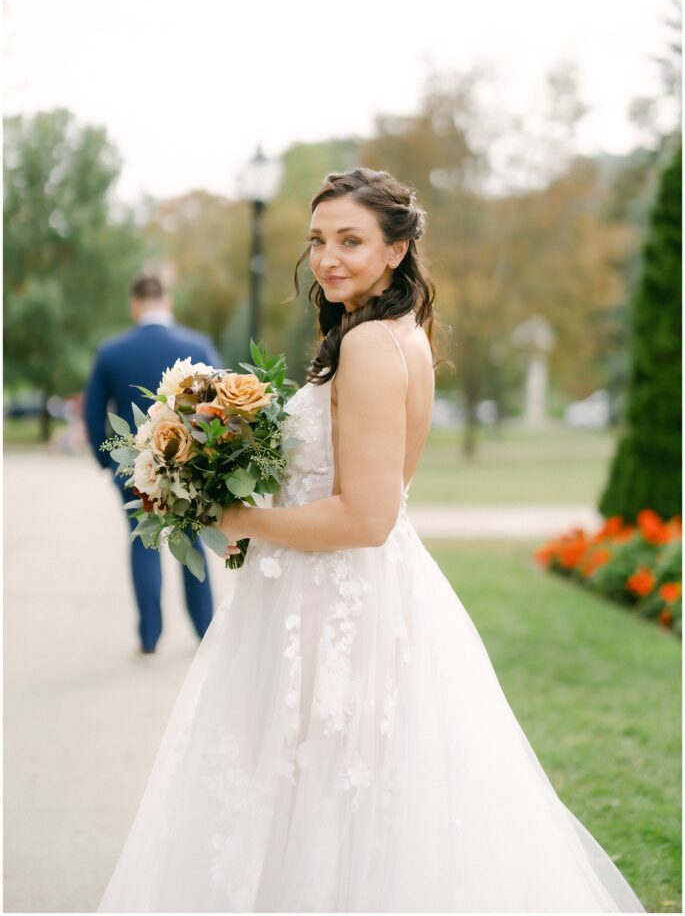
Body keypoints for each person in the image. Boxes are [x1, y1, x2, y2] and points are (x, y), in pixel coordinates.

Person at [97, 170, 645, 912]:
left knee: (327, 796)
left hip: (336, 602)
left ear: (396, 249)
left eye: (350, 241)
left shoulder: (371, 348)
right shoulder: (387, 334)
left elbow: (365, 518)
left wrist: (240, 520)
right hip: (334, 589)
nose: (327, 259)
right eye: (318, 240)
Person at [84, 274, 222, 656]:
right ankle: (205, 632)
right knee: (192, 541)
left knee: (144, 542)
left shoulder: (111, 352)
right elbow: (222, 406)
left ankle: (149, 638)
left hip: (133, 470)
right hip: (191, 468)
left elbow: (94, 414)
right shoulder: (198, 346)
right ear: (168, 301)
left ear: (135, 304)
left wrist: (107, 462)